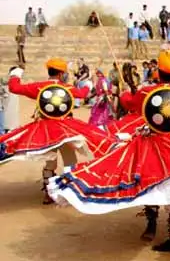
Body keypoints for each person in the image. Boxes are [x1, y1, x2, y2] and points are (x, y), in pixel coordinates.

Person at [48, 49, 170, 255]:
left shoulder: (146, 93)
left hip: (151, 145)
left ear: (159, 70)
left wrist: (124, 92)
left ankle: (151, 224)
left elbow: (127, 103)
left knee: (147, 180)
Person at [2, 59, 115, 204]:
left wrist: (15, 74)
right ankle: (69, 192)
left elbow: (14, 88)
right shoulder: (66, 88)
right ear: (61, 74)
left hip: (45, 130)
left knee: (50, 162)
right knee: (70, 161)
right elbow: (82, 94)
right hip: (65, 129)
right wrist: (88, 85)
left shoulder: (39, 87)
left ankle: (49, 193)